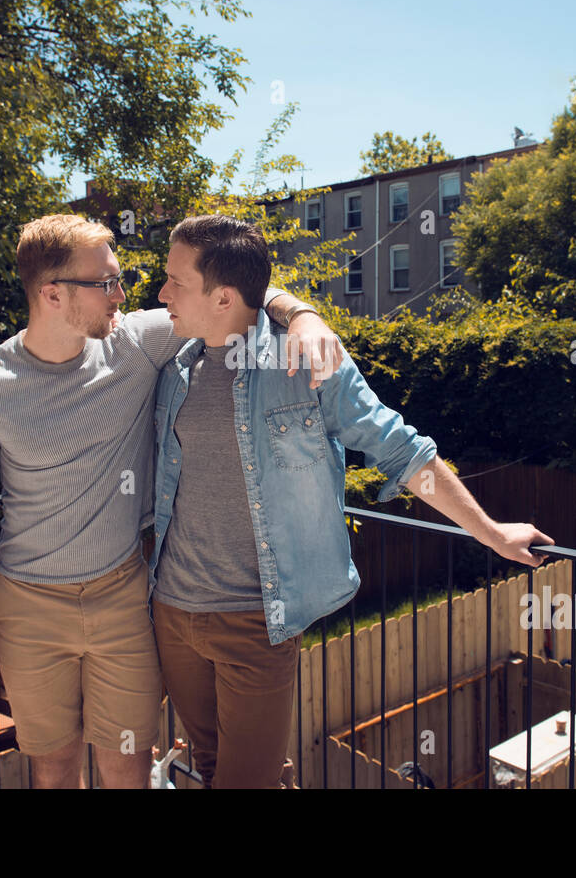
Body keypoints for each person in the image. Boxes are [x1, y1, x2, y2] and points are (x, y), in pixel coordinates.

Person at [0, 213, 343, 789]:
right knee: (53, 769)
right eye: (104, 282)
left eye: (119, 278)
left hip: (124, 596)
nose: (123, 295)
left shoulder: (133, 340)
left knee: (127, 763)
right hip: (28, 608)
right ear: (52, 293)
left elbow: (230, 291)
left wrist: (301, 315)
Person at [149, 214, 554, 788]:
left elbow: (404, 452)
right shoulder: (174, 362)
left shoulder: (307, 365)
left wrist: (490, 531)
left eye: (174, 281)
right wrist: (301, 306)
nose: (160, 293)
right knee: (208, 766)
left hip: (254, 621)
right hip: (172, 612)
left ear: (222, 298)